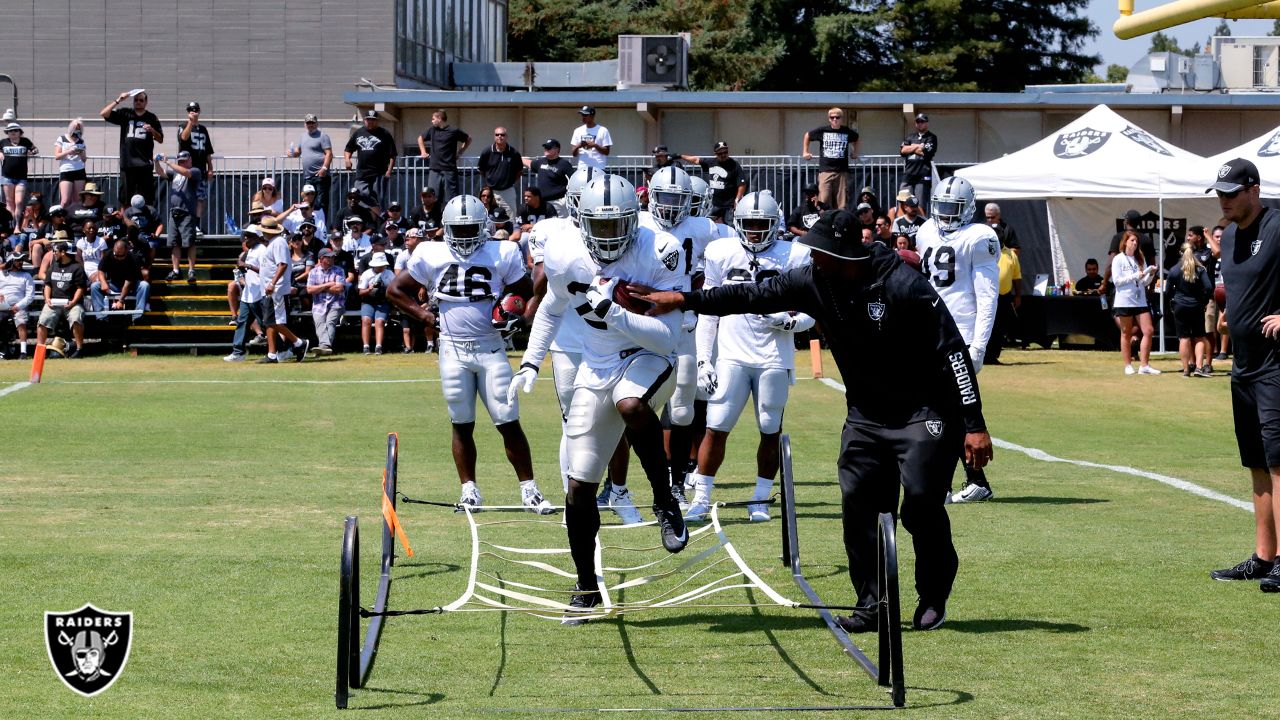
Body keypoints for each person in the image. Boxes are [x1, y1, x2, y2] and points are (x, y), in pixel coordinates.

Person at [636, 208, 993, 633]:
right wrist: (685, 299)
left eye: (819, 253)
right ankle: (872, 604)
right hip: (866, 415)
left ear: (842, 255)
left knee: (919, 503)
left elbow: (952, 350)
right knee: (859, 502)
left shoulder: (901, 282)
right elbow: (749, 295)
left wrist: (974, 423)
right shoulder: (811, 280)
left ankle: (933, 594)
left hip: (925, 411)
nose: (811, 259)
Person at [507, 174, 689, 624]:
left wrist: (617, 312)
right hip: (595, 366)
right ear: (582, 221)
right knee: (579, 486)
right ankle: (586, 586)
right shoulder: (567, 251)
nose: (608, 237)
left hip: (650, 358)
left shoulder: (660, 249)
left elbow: (669, 337)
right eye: (599, 227)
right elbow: (550, 309)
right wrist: (530, 361)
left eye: (616, 226)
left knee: (631, 403)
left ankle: (665, 500)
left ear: (634, 219)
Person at [388, 193, 553, 516]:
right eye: (458, 230)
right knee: (461, 423)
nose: (464, 236)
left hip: (491, 347)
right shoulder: (430, 252)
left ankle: (529, 490)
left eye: (470, 229)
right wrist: (425, 316)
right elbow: (394, 290)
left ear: (484, 227)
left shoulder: (501, 251)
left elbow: (531, 291)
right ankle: (469, 491)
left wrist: (521, 317)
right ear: (446, 228)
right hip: (451, 349)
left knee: (508, 421)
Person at [685, 190, 813, 522]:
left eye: (761, 224)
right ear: (737, 223)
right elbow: (709, 312)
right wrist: (703, 359)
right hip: (731, 355)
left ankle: (760, 498)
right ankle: (701, 497)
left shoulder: (794, 255)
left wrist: (785, 321)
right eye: (749, 224)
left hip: (773, 357)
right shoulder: (721, 251)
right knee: (716, 425)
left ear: (775, 224)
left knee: (769, 428)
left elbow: (812, 313)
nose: (755, 230)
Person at [1209, 157, 1280, 592]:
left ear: (1253, 189)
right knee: (1256, 463)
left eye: (1232, 193)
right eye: (1220, 193)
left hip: (1276, 364)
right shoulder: (1231, 234)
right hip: (1244, 366)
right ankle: (1263, 557)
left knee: (1279, 463)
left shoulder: (1277, 225)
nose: (1224, 201)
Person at [915, 176, 1000, 503]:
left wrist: (978, 345)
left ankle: (962, 481)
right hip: (928, 333)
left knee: (953, 410)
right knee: (945, 411)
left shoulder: (980, 236)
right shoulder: (925, 231)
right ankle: (970, 480)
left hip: (959, 335)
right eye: (943, 208)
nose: (947, 215)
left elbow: (987, 295)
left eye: (954, 208)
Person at [640, 165, 720, 507]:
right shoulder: (639, 223)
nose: (671, 205)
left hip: (685, 325)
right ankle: (624, 485)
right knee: (637, 407)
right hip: (644, 325)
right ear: (650, 195)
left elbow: (714, 273)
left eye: (678, 198)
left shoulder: (704, 228)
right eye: (665, 197)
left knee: (683, 410)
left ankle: (676, 482)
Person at [258, 217, 310, 363]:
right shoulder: (273, 243)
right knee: (270, 321)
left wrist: (272, 283)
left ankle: (299, 343)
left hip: (276, 289)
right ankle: (272, 354)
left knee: (273, 320)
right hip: (271, 289)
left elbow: (282, 265)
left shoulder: (279, 242)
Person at [100, 89, 163, 207]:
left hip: (144, 164)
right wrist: (119, 100)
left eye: (141, 100)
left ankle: (146, 224)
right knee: (125, 200)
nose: (138, 102)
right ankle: (126, 225)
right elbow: (104, 113)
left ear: (146, 102)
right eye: (136, 100)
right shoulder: (125, 113)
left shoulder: (151, 117)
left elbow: (160, 139)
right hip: (128, 163)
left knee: (147, 199)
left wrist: (152, 130)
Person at [1110, 230, 1161, 376]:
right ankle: (1128, 365)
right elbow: (1117, 281)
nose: (1135, 243)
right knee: (1126, 333)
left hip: (1140, 300)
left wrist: (1150, 274)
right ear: (1125, 242)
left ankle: (1144, 365)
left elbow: (1143, 282)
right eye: (1132, 240)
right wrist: (1134, 276)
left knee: (1149, 330)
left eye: (1136, 241)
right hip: (1124, 300)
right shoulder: (1118, 259)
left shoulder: (1140, 258)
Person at [1166, 242, 1214, 377]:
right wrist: (1204, 301)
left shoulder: (1174, 270)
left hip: (1180, 306)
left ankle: (1186, 369)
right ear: (1195, 253)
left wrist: (1173, 302)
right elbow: (1209, 288)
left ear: (1180, 253)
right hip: (1196, 306)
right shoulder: (1200, 269)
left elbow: (1168, 291)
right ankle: (1199, 367)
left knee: (1184, 338)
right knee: (1199, 336)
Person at [155, 151, 203, 283]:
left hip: (187, 212)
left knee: (190, 242)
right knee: (174, 243)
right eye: (180, 161)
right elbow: (161, 173)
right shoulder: (175, 173)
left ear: (190, 160)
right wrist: (156, 161)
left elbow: (186, 173)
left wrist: (169, 162)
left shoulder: (195, 171)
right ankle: (175, 270)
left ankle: (191, 270)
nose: (182, 163)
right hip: (174, 212)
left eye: (184, 160)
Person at [224, 226, 271, 362]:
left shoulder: (262, 250)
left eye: (249, 236)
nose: (246, 238)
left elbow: (265, 271)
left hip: (259, 293)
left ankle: (284, 348)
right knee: (242, 322)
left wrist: (246, 266)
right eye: (245, 235)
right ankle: (238, 352)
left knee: (266, 324)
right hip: (248, 293)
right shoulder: (250, 251)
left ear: (258, 237)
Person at [37, 240, 88, 358]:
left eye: (56, 251)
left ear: (63, 252)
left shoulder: (77, 268)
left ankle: (80, 349)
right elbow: (48, 284)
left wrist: (73, 302)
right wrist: (47, 299)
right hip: (53, 302)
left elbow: (80, 288)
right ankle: (39, 351)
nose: (54, 253)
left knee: (76, 319)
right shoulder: (54, 266)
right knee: (43, 321)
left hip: (72, 303)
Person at [802, 107, 858, 210]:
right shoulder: (823, 130)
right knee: (824, 199)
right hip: (825, 171)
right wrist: (805, 151)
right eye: (832, 117)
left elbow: (856, 138)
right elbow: (807, 135)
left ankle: (839, 223)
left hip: (842, 172)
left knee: (841, 202)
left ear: (841, 119)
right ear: (829, 119)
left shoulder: (846, 131)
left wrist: (855, 152)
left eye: (837, 117)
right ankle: (825, 222)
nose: (835, 119)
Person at [679, 142, 747, 224]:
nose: (723, 155)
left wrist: (737, 200)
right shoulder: (710, 162)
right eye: (720, 153)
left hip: (729, 205)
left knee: (730, 226)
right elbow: (695, 160)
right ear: (715, 153)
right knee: (707, 224)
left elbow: (742, 184)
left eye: (725, 152)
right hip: (713, 204)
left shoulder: (734, 165)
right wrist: (680, 156)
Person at [344, 110, 397, 213]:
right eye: (368, 119)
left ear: (377, 121)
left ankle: (377, 220)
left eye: (373, 120)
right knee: (358, 194)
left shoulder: (384, 134)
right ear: (365, 120)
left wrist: (389, 171)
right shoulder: (358, 133)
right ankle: (370, 216)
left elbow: (392, 155)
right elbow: (348, 149)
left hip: (379, 173)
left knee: (378, 198)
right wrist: (347, 160)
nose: (370, 122)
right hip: (362, 173)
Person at [418, 109, 470, 207]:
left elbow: (468, 139)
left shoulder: (453, 131)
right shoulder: (432, 130)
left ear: (439, 118)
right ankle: (434, 221)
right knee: (432, 196)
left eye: (433, 119)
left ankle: (449, 221)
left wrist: (460, 152)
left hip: (449, 170)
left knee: (451, 198)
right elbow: (420, 138)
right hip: (434, 169)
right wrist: (423, 151)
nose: (432, 121)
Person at [91, 240, 148, 321]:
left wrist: (121, 300)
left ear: (127, 251)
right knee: (94, 286)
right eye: (116, 255)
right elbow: (100, 270)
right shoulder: (108, 254)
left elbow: (128, 283)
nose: (118, 258)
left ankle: (138, 316)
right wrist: (103, 282)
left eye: (121, 256)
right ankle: (101, 317)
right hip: (114, 284)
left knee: (144, 285)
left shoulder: (133, 259)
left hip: (131, 286)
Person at [985, 237, 1021, 365]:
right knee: (986, 325)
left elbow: (1017, 277)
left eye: (999, 236)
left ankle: (993, 356)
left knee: (999, 327)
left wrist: (1018, 295)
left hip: (1004, 296)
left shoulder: (1011, 254)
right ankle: (982, 355)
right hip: (986, 295)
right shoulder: (984, 250)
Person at [178, 101, 215, 225]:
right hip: (187, 169)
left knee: (200, 198)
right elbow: (183, 137)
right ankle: (186, 222)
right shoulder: (183, 125)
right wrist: (190, 122)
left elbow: (208, 151)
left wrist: (210, 168)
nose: (192, 112)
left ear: (199, 111)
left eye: (195, 109)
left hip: (200, 169)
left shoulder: (203, 129)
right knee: (187, 197)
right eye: (190, 110)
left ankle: (196, 224)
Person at [307, 248, 346, 357]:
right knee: (320, 323)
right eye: (329, 257)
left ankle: (324, 346)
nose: (332, 258)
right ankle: (326, 347)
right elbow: (309, 290)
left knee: (330, 322)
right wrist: (327, 285)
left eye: (332, 256)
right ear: (321, 258)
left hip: (336, 303)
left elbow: (339, 289)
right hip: (318, 304)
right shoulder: (313, 272)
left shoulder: (339, 270)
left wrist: (318, 288)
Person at [289, 114, 333, 211]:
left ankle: (322, 224)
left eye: (312, 122)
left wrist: (324, 169)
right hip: (308, 176)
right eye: (308, 123)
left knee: (322, 203)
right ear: (305, 124)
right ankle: (309, 223)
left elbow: (329, 153)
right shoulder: (302, 136)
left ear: (316, 124)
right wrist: (292, 153)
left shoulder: (323, 136)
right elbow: (298, 152)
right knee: (307, 202)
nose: (311, 125)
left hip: (321, 176)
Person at [478, 127, 523, 214]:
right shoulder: (487, 152)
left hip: (508, 191)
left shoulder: (514, 153)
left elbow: (519, 171)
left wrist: (510, 182)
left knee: (510, 218)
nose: (499, 136)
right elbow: (481, 170)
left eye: (502, 135)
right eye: (497, 135)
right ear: (494, 137)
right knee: (488, 217)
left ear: (506, 137)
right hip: (491, 192)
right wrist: (489, 181)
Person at [526, 138, 575, 218]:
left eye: (549, 148)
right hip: (543, 203)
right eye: (545, 147)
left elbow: (573, 181)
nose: (546, 149)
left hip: (558, 202)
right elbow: (529, 163)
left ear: (557, 149)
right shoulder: (541, 162)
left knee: (559, 226)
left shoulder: (564, 164)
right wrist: (516, 157)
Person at [357, 252, 394, 355]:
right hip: (368, 301)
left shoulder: (389, 274)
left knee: (380, 321)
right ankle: (366, 347)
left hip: (383, 301)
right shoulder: (367, 274)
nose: (381, 267)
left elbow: (394, 290)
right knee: (366, 320)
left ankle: (378, 347)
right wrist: (369, 289)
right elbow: (361, 292)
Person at [0, 122, 38, 222]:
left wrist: (31, 152)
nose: (13, 132)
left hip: (21, 177)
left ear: (20, 132)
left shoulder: (25, 141)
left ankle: (17, 225)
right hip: (7, 177)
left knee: (19, 201)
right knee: (9, 202)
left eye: (15, 130)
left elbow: (35, 149)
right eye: (10, 131)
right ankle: (10, 225)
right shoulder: (3, 142)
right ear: (7, 132)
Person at [0, 250, 34, 359]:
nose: (21, 262)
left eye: (21, 260)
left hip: (19, 307)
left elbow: (30, 296)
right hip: (2, 306)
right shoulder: (1, 274)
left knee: (21, 321)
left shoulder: (26, 275)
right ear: (11, 262)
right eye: (18, 260)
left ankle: (23, 352)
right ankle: (4, 350)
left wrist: (18, 306)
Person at [900, 114, 937, 213]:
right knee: (903, 201)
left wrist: (911, 148)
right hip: (908, 174)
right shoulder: (910, 136)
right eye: (918, 122)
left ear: (927, 123)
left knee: (920, 204)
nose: (920, 124)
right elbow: (903, 150)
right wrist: (918, 146)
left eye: (922, 122)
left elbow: (926, 153)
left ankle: (920, 226)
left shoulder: (932, 137)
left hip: (923, 175)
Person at [53, 119, 87, 208]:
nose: (77, 130)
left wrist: (80, 152)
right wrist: (68, 151)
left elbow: (84, 159)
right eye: (75, 128)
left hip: (79, 170)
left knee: (77, 199)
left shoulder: (81, 141)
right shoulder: (62, 138)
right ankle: (61, 218)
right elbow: (57, 156)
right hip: (66, 170)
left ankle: (74, 219)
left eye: (79, 128)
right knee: (65, 200)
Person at [569, 105, 611, 172]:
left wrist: (595, 145)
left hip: (598, 167)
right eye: (582, 115)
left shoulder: (603, 130)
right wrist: (579, 146)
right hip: (582, 167)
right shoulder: (577, 130)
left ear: (592, 116)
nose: (583, 117)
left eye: (585, 115)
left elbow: (607, 152)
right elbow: (574, 154)